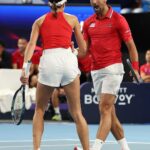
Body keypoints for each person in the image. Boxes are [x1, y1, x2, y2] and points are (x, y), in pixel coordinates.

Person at [20, 0, 89, 150]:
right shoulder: (73, 20)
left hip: (49, 61)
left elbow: (31, 46)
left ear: (49, 5)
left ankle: (36, 148)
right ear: (64, 5)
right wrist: (74, 51)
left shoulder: (39, 21)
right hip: (68, 60)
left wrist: (25, 70)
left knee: (39, 110)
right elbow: (83, 51)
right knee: (77, 112)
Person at [76, 0, 140, 150]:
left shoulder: (118, 19)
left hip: (113, 68)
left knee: (104, 108)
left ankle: (95, 148)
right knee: (110, 113)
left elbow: (131, 46)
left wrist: (135, 68)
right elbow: (84, 51)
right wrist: (71, 51)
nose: (94, 2)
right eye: (91, 0)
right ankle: (125, 148)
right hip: (96, 70)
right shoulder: (88, 23)